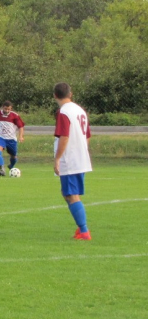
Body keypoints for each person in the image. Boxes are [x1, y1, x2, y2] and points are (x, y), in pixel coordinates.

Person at [53, 82, 93, 240]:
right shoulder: (79, 110)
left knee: (71, 195)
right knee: (67, 194)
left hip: (70, 158)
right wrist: (82, 151)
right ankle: (81, 229)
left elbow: (64, 136)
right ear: (70, 93)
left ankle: (84, 231)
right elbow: (87, 135)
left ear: (55, 95)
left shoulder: (64, 112)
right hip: (80, 157)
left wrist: (57, 158)